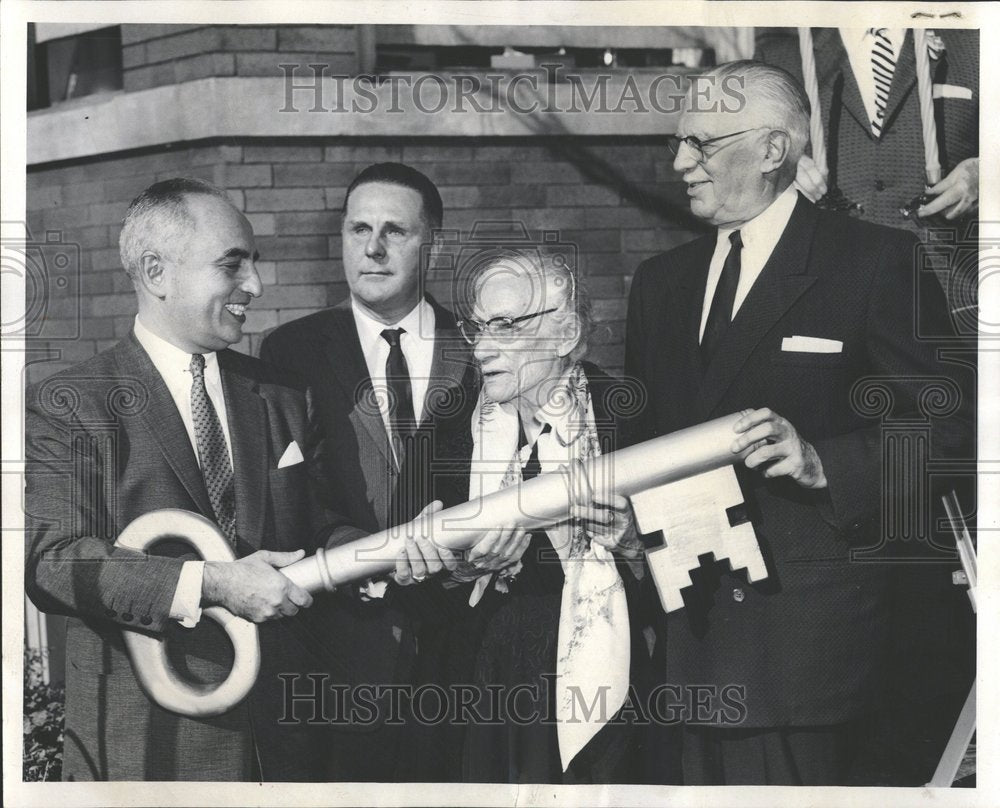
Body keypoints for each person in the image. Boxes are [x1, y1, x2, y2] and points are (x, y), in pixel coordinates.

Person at [623, 61, 973, 785]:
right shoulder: (660, 285)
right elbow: (642, 448)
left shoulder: (876, 262)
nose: (680, 162)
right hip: (686, 657)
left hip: (809, 667)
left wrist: (826, 462)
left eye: (702, 143)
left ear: (774, 149)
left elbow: (956, 431)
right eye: (678, 141)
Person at [24, 178, 344, 781]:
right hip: (151, 753)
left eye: (255, 263)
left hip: (287, 747)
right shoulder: (73, 404)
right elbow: (52, 562)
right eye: (233, 265)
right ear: (156, 272)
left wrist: (392, 551)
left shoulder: (283, 396)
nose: (256, 285)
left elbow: (325, 526)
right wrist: (214, 584)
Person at [259, 162, 477, 781]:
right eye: (358, 230)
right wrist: (351, 549)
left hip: (464, 639)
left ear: (434, 241)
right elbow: (288, 489)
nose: (373, 249)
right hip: (344, 645)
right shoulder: (289, 352)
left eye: (394, 232)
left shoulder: (482, 349)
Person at [414, 249, 651, 784]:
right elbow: (410, 594)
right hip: (479, 683)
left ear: (566, 333)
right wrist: (462, 569)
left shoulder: (628, 414)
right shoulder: (447, 429)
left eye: (505, 326)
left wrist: (634, 542)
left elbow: (687, 570)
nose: (481, 346)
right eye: (477, 327)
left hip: (610, 679)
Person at [754, 27, 978, 230]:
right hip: (828, 263)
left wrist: (987, 174)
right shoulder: (778, 58)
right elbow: (739, 167)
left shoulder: (976, 45)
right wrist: (774, 170)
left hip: (940, 266)